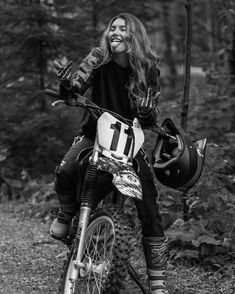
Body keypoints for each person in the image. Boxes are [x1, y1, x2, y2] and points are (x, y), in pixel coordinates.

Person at [50, 13, 169, 294]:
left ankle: (158, 281)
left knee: (149, 202)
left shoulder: (148, 68)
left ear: (134, 36)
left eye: (122, 29)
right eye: (112, 28)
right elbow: (77, 84)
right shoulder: (98, 58)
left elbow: (151, 115)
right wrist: (68, 85)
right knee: (67, 168)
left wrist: (146, 110)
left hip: (128, 141)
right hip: (94, 134)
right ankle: (67, 212)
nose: (115, 32)